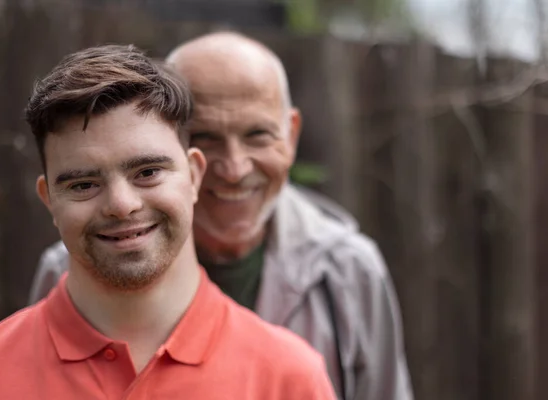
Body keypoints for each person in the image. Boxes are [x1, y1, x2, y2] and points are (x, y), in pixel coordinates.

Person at [29, 33, 413, 400]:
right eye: (207, 137)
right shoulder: (73, 267)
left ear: (291, 135)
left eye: (258, 135)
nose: (233, 168)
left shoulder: (347, 271)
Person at [0, 44, 338, 400]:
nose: (121, 204)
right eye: (84, 184)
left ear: (194, 176)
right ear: (49, 199)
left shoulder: (289, 380)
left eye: (148, 172)